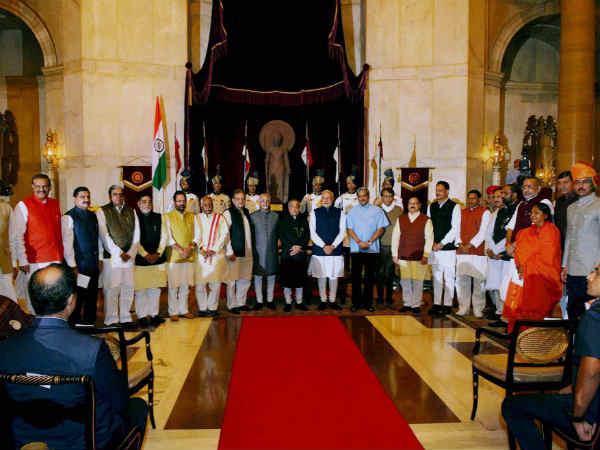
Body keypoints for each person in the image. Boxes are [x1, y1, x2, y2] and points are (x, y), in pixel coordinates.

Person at [0, 264, 148, 450]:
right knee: (137, 407)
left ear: (32, 299)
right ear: (71, 300)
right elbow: (119, 402)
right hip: (85, 443)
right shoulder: (92, 350)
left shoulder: (5, 349)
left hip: (24, 442)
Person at [502, 263, 600, 449]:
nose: (589, 276)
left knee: (512, 406)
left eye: (596, 273)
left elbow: (592, 371)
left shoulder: (596, 316)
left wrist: (578, 417)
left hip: (591, 411)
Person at [9, 173, 63, 313]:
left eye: (45, 186)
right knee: (35, 297)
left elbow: (59, 234)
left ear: (49, 187)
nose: (41, 189)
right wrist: (22, 260)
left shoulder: (55, 204)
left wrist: (62, 258)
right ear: (32, 187)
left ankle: (50, 323)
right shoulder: (23, 205)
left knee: (53, 296)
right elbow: (17, 236)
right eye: (38, 186)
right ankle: (35, 323)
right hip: (34, 261)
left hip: (55, 258)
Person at [505, 203, 562, 333]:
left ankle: (534, 336)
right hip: (524, 274)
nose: (532, 215)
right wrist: (520, 266)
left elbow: (548, 255)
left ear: (545, 215)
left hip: (541, 276)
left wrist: (526, 266)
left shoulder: (551, 230)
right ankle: (520, 334)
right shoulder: (525, 232)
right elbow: (519, 251)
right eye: (531, 213)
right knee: (520, 306)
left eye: (537, 213)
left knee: (537, 307)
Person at [96, 185, 140, 327]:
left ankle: (125, 317)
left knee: (128, 287)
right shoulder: (102, 211)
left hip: (129, 257)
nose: (118, 197)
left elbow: (137, 233)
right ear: (110, 196)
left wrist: (131, 252)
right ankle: (111, 319)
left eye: (121, 194)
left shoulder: (131, 210)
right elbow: (104, 235)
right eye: (115, 194)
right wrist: (119, 253)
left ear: (124, 196)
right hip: (112, 258)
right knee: (112, 289)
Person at [562, 162, 600, 320]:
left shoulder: (598, 205)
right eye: (577, 182)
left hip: (591, 270)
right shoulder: (571, 208)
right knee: (573, 310)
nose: (581, 186)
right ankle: (573, 336)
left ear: (593, 184)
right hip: (573, 269)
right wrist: (565, 266)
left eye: (585, 182)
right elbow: (569, 238)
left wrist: (598, 269)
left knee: (591, 314)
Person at [62, 186, 102, 325]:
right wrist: (73, 266)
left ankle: (90, 322)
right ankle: (75, 323)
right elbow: (67, 245)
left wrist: (99, 260)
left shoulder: (93, 215)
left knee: (92, 294)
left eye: (88, 197)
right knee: (79, 294)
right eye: (82, 197)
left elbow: (97, 239)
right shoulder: (69, 217)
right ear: (75, 198)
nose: (86, 199)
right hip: (79, 266)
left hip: (93, 264)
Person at [347, 187, 389, 312]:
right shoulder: (352, 211)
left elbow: (381, 229)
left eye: (364, 195)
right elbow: (349, 229)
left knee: (370, 278)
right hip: (356, 249)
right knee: (356, 278)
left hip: (372, 249)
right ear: (357, 197)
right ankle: (356, 303)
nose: (362, 198)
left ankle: (368, 303)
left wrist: (369, 242)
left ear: (368, 196)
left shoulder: (377, 211)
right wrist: (359, 242)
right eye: (360, 196)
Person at [391, 196, 433, 314]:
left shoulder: (426, 220)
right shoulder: (401, 219)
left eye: (415, 203)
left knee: (417, 281)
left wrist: (426, 254)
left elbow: (429, 238)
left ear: (419, 205)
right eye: (410, 203)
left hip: (419, 256)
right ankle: (407, 303)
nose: (412, 205)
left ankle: (416, 304)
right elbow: (395, 237)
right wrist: (394, 254)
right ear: (407, 205)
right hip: (403, 255)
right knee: (405, 281)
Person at [427, 181, 461, 317]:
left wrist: (442, 243)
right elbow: (428, 226)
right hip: (434, 248)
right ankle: (436, 304)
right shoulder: (432, 206)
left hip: (448, 249)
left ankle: (447, 305)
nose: (438, 193)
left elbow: (455, 228)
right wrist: (431, 242)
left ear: (447, 191)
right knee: (436, 277)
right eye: (437, 190)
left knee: (449, 277)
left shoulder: (454, 206)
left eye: (440, 190)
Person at [308, 190, 346, 310]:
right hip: (320, 250)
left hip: (335, 250)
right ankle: (323, 300)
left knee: (334, 276)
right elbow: (312, 233)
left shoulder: (340, 212)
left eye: (328, 198)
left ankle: (333, 300)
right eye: (323, 198)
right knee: (322, 275)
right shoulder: (314, 212)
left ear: (333, 199)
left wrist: (333, 246)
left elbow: (343, 232)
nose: (325, 200)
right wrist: (324, 246)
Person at [133, 194, 167, 327]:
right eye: (144, 201)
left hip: (158, 258)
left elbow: (164, 236)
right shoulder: (134, 218)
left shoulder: (160, 217)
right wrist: (145, 254)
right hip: (141, 259)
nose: (147, 204)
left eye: (149, 202)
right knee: (141, 289)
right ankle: (142, 316)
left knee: (155, 289)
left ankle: (154, 315)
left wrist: (158, 253)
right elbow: (135, 239)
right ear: (138, 204)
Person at [455, 190, 490, 317]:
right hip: (462, 251)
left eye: (473, 198)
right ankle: (463, 307)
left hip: (477, 251)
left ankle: (478, 308)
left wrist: (470, 245)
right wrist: (460, 243)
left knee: (478, 281)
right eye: (469, 198)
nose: (471, 201)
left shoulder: (485, 212)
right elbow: (456, 229)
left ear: (479, 199)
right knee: (462, 281)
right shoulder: (461, 212)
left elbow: (483, 232)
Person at [194, 196, 229, 317]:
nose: (208, 207)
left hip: (216, 255)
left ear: (213, 205)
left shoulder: (220, 217)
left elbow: (224, 234)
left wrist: (214, 249)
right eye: (205, 205)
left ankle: (212, 308)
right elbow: (195, 235)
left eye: (210, 205)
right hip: (201, 255)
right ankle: (202, 308)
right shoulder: (197, 218)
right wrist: (201, 249)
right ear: (201, 206)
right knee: (200, 283)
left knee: (215, 283)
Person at [164, 190, 196, 321]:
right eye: (179, 201)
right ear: (174, 202)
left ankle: (184, 310)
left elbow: (197, 235)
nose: (181, 203)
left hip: (189, 255)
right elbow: (168, 237)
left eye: (183, 201)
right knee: (173, 285)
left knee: (185, 285)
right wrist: (181, 250)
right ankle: (173, 311)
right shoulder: (167, 216)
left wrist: (189, 248)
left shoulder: (192, 216)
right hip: (174, 256)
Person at [484, 188, 512, 325]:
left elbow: (508, 235)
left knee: (503, 285)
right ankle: (498, 311)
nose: (496, 199)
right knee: (494, 284)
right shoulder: (495, 213)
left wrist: (498, 251)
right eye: (494, 197)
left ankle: (504, 314)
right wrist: (490, 249)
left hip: (503, 254)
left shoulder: (510, 212)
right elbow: (488, 233)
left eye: (499, 196)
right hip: (493, 253)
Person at [277, 199, 310, 312]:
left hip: (300, 253)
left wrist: (299, 246)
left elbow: (307, 235)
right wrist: (293, 247)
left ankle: (299, 302)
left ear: (299, 208)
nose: (294, 209)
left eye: (297, 207)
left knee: (299, 280)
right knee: (287, 280)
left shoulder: (304, 220)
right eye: (292, 206)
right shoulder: (283, 220)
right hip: (288, 253)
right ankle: (288, 301)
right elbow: (282, 236)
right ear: (288, 208)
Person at [223, 189, 253, 313]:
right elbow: (225, 234)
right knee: (232, 279)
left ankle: (241, 302)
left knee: (245, 278)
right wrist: (229, 251)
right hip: (234, 252)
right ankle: (232, 305)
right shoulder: (228, 213)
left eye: (242, 199)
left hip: (248, 250)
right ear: (233, 200)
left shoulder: (246, 212)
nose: (241, 201)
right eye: (238, 199)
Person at [505, 177, 553, 247]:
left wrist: (514, 245)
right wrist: (508, 243)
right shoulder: (521, 204)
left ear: (538, 188)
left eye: (529, 187)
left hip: (533, 246)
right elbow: (510, 226)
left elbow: (536, 228)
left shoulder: (544, 202)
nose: (526, 190)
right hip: (515, 247)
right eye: (524, 187)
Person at [251, 193, 279, 310]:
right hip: (258, 252)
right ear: (259, 202)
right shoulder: (253, 216)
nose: (265, 203)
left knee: (271, 276)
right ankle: (259, 301)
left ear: (270, 202)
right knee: (258, 276)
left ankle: (270, 300)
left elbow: (278, 233)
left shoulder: (276, 216)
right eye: (263, 201)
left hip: (272, 251)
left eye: (267, 201)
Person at [376, 187, 403, 306]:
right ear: (381, 197)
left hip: (393, 246)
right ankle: (380, 297)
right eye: (385, 196)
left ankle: (388, 298)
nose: (387, 199)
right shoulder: (377, 209)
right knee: (379, 273)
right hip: (379, 245)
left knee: (389, 273)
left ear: (393, 198)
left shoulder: (398, 210)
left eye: (390, 196)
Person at [0, 180, 16, 302]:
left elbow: (13, 236)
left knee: (8, 293)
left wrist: (14, 263)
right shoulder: (7, 207)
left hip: (4, 259)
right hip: (4, 258)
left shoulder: (6, 208)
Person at [554, 170, 577, 250]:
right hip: (561, 243)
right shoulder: (559, 201)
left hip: (575, 243)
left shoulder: (579, 200)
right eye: (559, 183)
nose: (562, 186)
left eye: (566, 182)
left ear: (573, 183)